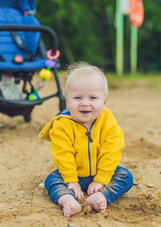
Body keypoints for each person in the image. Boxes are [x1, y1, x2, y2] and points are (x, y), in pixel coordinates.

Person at [39, 62, 133, 217]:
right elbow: (63, 154)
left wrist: (101, 180)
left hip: (101, 174)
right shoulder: (61, 125)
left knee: (125, 176)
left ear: (104, 101)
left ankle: (102, 195)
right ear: (67, 100)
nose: (84, 103)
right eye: (77, 97)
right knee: (52, 180)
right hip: (74, 175)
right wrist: (71, 180)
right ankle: (68, 200)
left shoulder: (108, 122)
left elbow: (111, 152)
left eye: (93, 97)